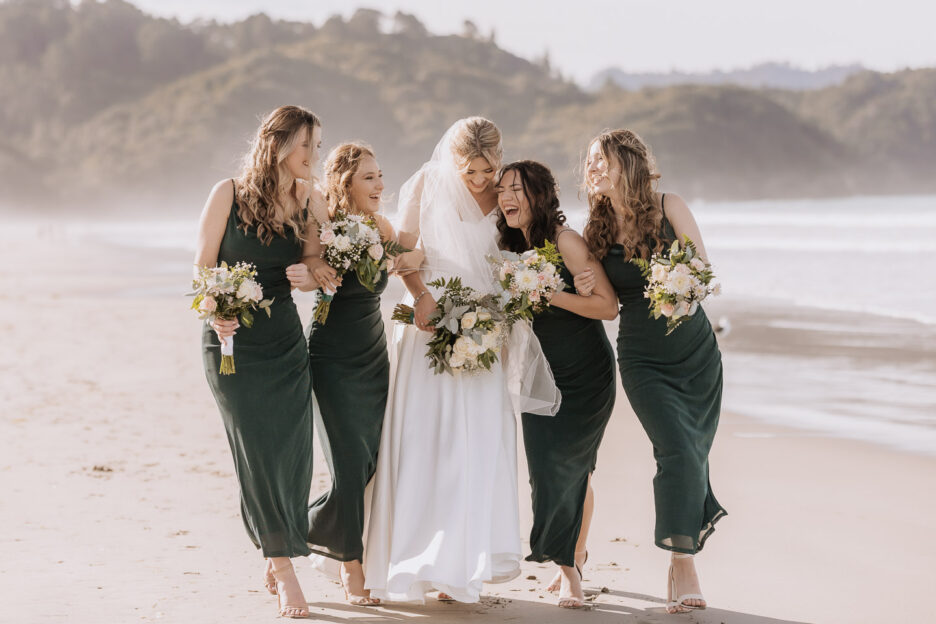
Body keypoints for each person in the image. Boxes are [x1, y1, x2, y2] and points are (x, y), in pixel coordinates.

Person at [364, 118, 558, 603]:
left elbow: (537, 246)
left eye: (487, 171)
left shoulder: (507, 191)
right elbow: (401, 254)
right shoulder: (428, 184)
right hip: (428, 323)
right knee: (425, 441)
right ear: (454, 162)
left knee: (475, 443)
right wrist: (422, 296)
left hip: (487, 331)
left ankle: (459, 567)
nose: (479, 181)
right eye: (470, 171)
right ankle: (414, 563)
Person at [581, 128, 726, 614]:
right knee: (679, 450)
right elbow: (603, 302)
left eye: (601, 160)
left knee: (693, 452)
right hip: (642, 357)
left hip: (695, 353)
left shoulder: (671, 206)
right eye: (589, 162)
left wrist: (678, 282)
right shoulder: (595, 231)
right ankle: (683, 562)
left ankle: (678, 556)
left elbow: (703, 272)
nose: (592, 168)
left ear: (628, 164)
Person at [194, 105, 323, 619]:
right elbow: (203, 268)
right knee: (256, 451)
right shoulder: (227, 193)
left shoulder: (310, 199)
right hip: (231, 344)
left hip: (285, 342)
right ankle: (285, 565)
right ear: (279, 145)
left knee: (292, 451)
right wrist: (215, 310)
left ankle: (277, 542)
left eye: (318, 144)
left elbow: (316, 264)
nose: (315, 155)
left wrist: (310, 276)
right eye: (307, 145)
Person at [495, 160, 618, 609]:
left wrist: (550, 294)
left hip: (585, 373)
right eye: (503, 189)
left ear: (540, 196)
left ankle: (569, 570)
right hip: (536, 374)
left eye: (518, 190)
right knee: (548, 471)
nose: (507, 197)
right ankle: (575, 552)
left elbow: (607, 307)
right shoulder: (506, 249)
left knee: (573, 467)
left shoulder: (565, 240)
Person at [303, 142, 395, 606]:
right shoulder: (321, 226)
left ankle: (297, 526)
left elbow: (409, 261)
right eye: (370, 178)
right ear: (345, 183)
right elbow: (302, 268)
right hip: (332, 356)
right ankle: (350, 565)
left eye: (380, 176)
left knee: (371, 462)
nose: (380, 185)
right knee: (347, 463)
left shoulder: (382, 226)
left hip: (374, 355)